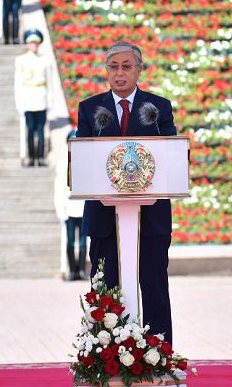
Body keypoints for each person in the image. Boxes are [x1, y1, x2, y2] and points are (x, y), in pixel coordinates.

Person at [76, 40, 177, 343]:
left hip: (151, 217)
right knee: (105, 289)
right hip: (105, 219)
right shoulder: (90, 108)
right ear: (106, 70)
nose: (120, 73)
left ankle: (159, 354)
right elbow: (84, 160)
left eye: (126, 66)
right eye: (113, 67)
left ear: (139, 70)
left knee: (155, 287)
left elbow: (171, 156)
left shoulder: (158, 108)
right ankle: (104, 355)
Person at [15, 29, 56, 167]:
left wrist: (50, 101)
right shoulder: (21, 60)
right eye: (32, 43)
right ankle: (31, 157)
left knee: (41, 130)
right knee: (30, 130)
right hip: (28, 98)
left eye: (36, 43)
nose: (34, 45)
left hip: (41, 98)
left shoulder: (45, 60)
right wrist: (19, 103)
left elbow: (50, 82)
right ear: (28, 44)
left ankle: (41, 157)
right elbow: (18, 83)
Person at [55, 128, 86, 280]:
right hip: (69, 208)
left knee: (82, 242)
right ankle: (72, 270)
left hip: (82, 208)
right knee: (70, 242)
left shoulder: (86, 163)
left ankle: (81, 270)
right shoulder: (63, 165)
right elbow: (59, 189)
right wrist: (60, 210)